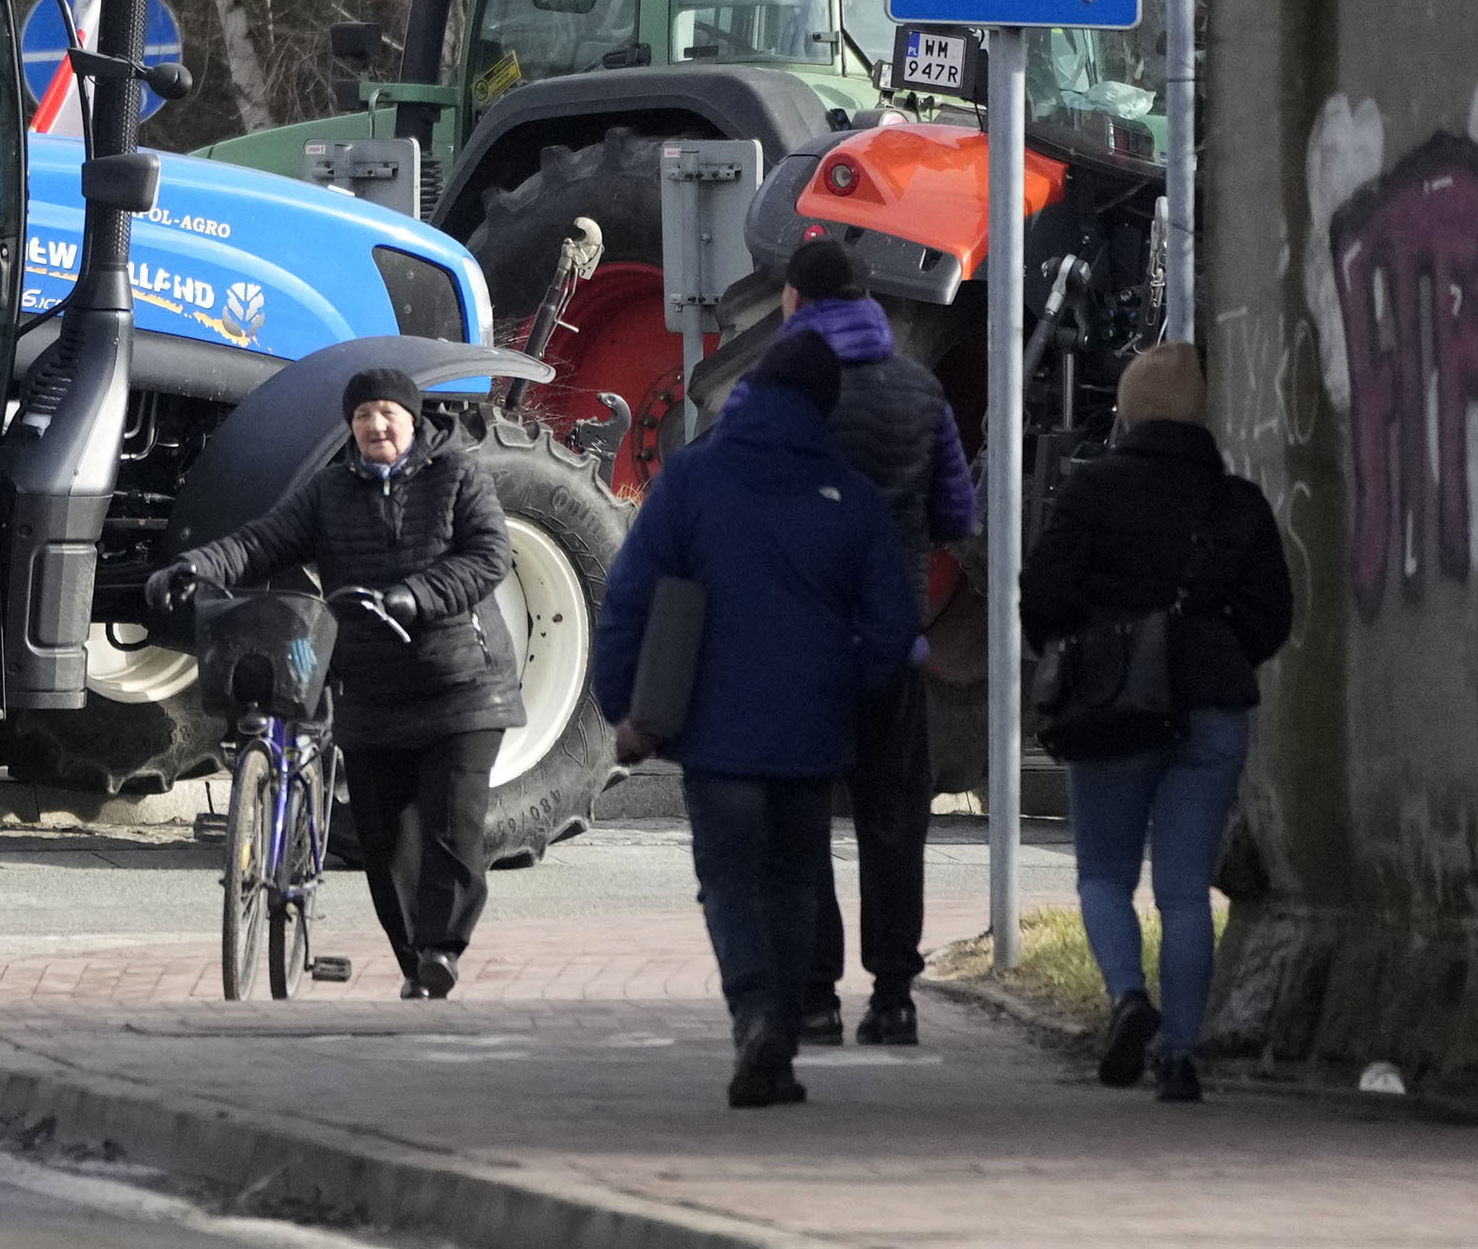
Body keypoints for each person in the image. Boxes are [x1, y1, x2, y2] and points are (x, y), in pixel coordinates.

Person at [595, 323, 915, 1108]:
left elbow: (630, 596)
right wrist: (857, 692)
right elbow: (893, 625)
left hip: (715, 733)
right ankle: (786, 1012)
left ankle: (758, 1013)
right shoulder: (854, 498)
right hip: (812, 734)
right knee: (795, 878)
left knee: (730, 878)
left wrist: (625, 705)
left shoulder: (691, 482)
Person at [152, 367, 521, 1000]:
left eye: (388, 414)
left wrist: (416, 596)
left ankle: (442, 948)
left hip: (461, 682)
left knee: (451, 826)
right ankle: (417, 963)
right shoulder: (329, 490)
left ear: (412, 420)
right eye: (362, 417)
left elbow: (490, 555)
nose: (376, 427)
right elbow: (261, 543)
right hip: (372, 686)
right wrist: (194, 567)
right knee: (382, 838)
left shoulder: (457, 473)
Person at [1023, 340, 1293, 1105]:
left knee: (1104, 874)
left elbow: (1042, 593)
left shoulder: (1093, 489)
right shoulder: (1237, 501)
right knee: (1183, 893)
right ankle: (1180, 1055)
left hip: (1112, 708)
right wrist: (1215, 654)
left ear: (1131, 409)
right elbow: (1273, 614)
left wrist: (1080, 650)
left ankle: (1128, 999)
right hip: (1211, 713)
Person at [779, 237, 978, 1051]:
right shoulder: (920, 389)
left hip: (801, 645)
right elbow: (956, 514)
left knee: (799, 825)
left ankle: (816, 995)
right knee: (893, 823)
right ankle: (893, 995)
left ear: (796, 301)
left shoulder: (783, 391)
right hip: (892, 644)